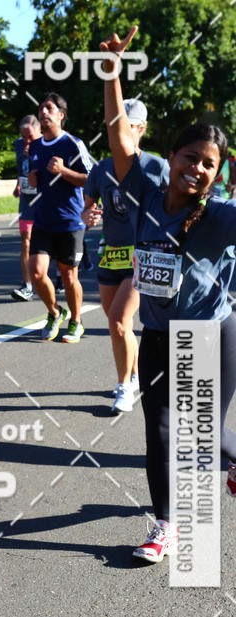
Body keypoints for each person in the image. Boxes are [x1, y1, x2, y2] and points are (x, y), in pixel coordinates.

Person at [101, 27, 236, 562]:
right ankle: (166, 526)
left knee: (199, 436)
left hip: (211, 334)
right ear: (172, 154)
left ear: (217, 173)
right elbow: (119, 140)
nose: (197, 169)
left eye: (209, 164)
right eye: (191, 157)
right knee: (160, 431)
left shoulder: (221, 216)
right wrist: (112, 75)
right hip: (158, 333)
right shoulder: (145, 185)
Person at [82, 99, 168, 414]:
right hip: (112, 255)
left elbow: (180, 205)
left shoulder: (157, 166)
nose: (120, 130)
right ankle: (132, 376)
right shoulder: (101, 168)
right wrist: (88, 215)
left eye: (128, 125)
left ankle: (124, 386)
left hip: (143, 255)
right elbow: (88, 206)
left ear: (140, 129)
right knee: (119, 324)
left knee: (119, 318)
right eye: (116, 125)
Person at [27, 93, 93, 341]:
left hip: (70, 221)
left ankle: (76, 321)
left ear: (60, 115)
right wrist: (31, 181)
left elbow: (90, 179)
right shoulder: (34, 146)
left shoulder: (73, 144)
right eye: (41, 107)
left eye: (49, 108)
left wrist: (63, 170)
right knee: (36, 272)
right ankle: (55, 312)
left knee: (68, 275)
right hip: (43, 220)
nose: (43, 112)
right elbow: (32, 181)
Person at [10, 114, 41, 301]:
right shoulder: (19, 145)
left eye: (30, 136)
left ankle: (61, 278)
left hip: (46, 203)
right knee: (26, 241)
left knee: (50, 245)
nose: (26, 141)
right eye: (24, 137)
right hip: (27, 202)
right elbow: (21, 168)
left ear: (39, 130)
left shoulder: (47, 144)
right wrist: (18, 184)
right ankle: (27, 286)